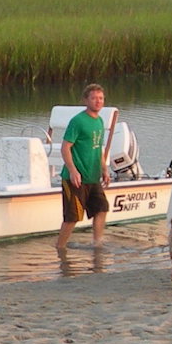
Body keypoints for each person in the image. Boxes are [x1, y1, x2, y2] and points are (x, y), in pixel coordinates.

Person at [56, 82, 113, 252]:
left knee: (102, 208)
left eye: (101, 98)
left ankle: (97, 243)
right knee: (72, 217)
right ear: (85, 100)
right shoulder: (78, 121)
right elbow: (65, 147)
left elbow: (98, 148)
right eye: (94, 98)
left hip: (92, 177)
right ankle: (60, 248)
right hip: (75, 178)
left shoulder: (100, 121)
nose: (98, 101)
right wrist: (73, 171)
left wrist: (104, 169)